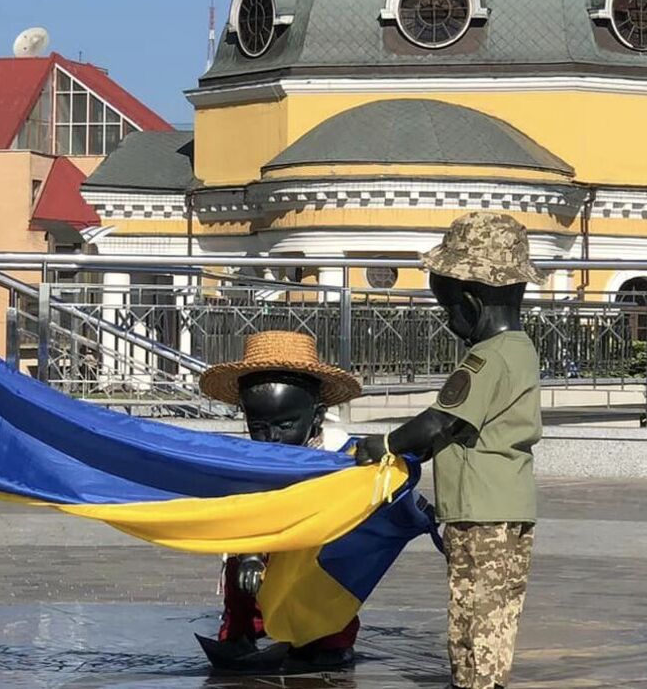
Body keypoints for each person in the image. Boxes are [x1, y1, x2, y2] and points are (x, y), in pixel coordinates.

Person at [353, 212, 542, 689]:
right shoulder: (520, 349)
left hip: (481, 511)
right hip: (507, 502)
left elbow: (442, 420)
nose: (448, 319)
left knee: (475, 610)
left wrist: (386, 444)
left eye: (448, 307)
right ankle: (482, 680)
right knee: (495, 607)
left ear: (471, 303)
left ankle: (476, 684)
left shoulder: (486, 357)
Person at [194, 329, 363, 674]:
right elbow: (248, 506)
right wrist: (252, 552)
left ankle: (326, 639)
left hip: (316, 560)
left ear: (316, 416)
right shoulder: (248, 458)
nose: (271, 437)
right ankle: (240, 632)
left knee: (323, 581)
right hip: (261, 549)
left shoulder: (339, 456)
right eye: (258, 426)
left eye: (286, 424)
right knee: (240, 566)